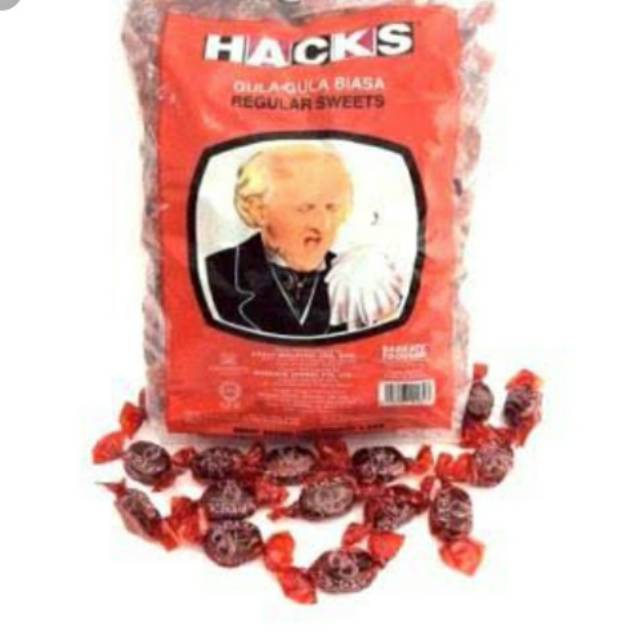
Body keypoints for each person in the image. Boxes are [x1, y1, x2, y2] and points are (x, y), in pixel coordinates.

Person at [206, 144, 353, 336]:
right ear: (258, 210)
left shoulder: (354, 279)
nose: (323, 225)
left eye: (332, 208)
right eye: (305, 208)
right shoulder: (216, 271)